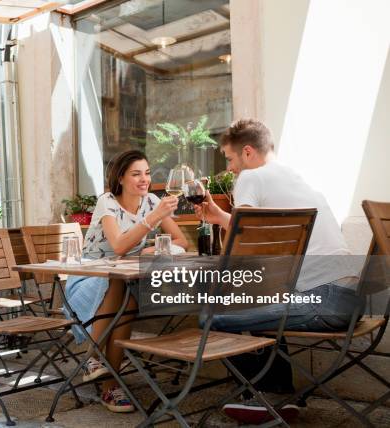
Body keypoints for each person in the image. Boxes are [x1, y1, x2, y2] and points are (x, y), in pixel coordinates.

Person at [194, 119, 362, 424]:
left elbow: (247, 246)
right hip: (349, 298)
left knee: (210, 315)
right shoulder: (297, 178)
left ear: (247, 152)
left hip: (319, 299)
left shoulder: (251, 177)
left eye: (230, 159)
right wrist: (221, 216)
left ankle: (262, 396)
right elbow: (261, 231)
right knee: (261, 301)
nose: (230, 168)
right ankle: (279, 392)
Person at [65, 150, 189, 413]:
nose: (144, 179)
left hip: (124, 276)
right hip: (89, 276)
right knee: (120, 284)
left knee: (125, 289)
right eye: (136, 174)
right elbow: (119, 245)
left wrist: (153, 248)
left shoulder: (152, 200)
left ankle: (104, 376)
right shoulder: (107, 203)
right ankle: (98, 363)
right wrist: (152, 219)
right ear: (120, 178)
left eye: (147, 173)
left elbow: (182, 241)